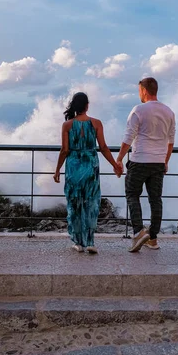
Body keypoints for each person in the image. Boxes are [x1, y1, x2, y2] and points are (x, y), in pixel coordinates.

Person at [54, 92, 122, 253]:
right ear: (87, 106)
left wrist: (57, 170)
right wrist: (115, 165)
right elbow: (104, 148)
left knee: (75, 203)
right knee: (91, 203)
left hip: (73, 167)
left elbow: (64, 150)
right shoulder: (97, 123)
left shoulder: (67, 125)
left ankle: (78, 242)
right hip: (91, 166)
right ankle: (90, 241)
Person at [116, 78, 176, 252]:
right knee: (155, 200)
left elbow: (128, 138)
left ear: (143, 91)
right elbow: (171, 141)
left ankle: (138, 232)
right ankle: (153, 239)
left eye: (139, 91)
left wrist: (119, 159)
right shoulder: (169, 112)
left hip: (139, 160)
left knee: (132, 194)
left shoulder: (138, 110)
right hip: (158, 162)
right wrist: (165, 162)